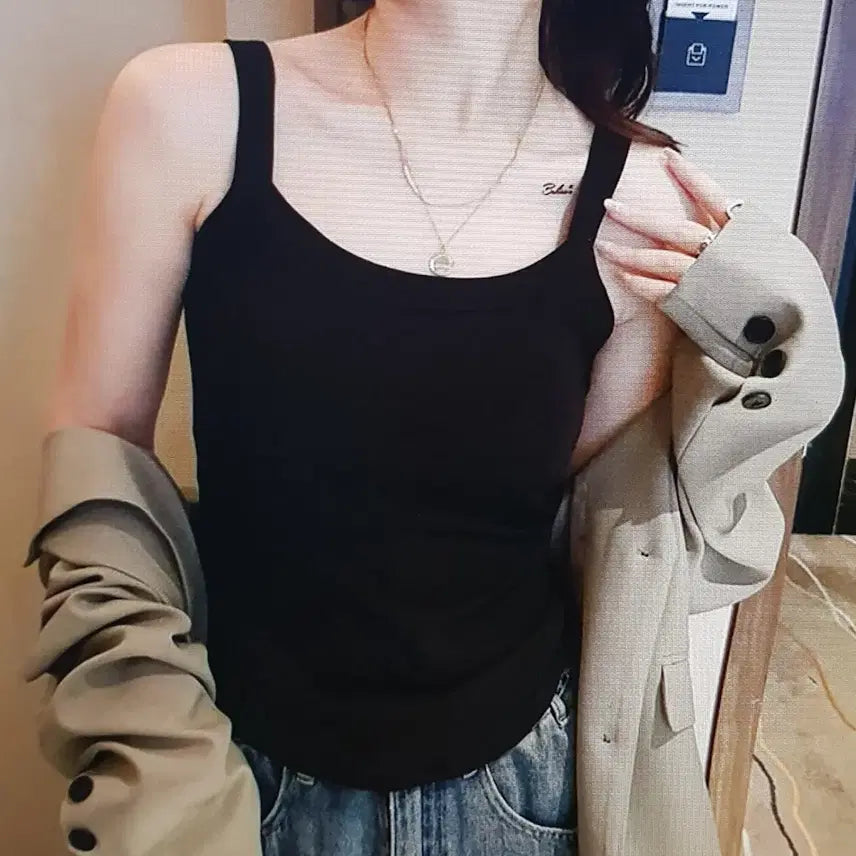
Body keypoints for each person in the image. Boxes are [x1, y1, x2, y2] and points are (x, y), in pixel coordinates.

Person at [44, 2, 748, 854]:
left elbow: (602, 530)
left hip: (520, 792)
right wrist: (156, 765)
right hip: (231, 782)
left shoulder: (643, 199)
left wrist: (760, 329)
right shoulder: (189, 109)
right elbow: (100, 472)